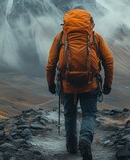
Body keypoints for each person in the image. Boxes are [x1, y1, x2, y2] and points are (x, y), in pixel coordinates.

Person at [46, 9, 114, 160]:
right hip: (90, 84)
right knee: (89, 114)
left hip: (67, 85)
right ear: (90, 23)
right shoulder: (95, 38)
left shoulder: (60, 38)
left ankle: (71, 147)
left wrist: (50, 84)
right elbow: (108, 61)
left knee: (70, 114)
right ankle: (85, 139)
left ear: (66, 24)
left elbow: (51, 64)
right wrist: (107, 84)